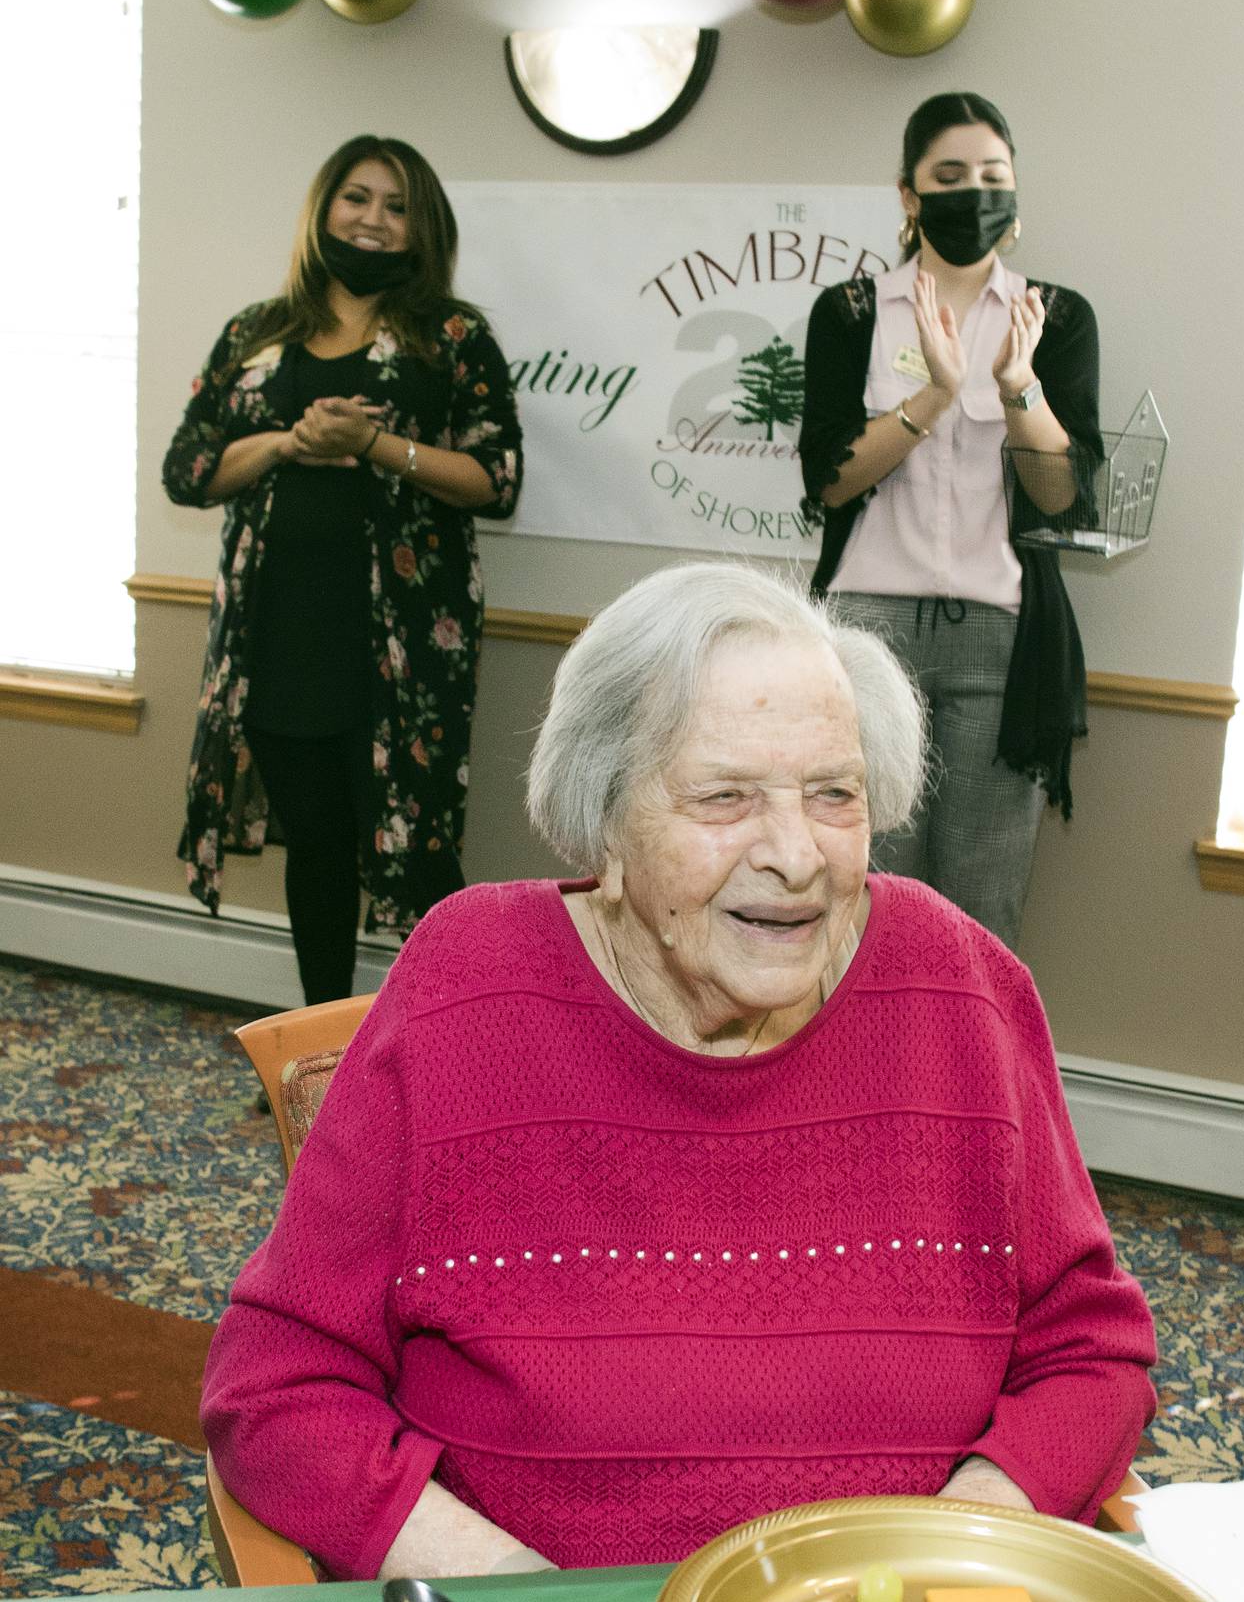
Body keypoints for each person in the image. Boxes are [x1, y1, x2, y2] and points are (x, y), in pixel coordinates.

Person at [200, 561, 1155, 1580]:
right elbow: (276, 1386)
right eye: (724, 796)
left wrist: (943, 1548)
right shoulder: (464, 988)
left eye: (835, 793)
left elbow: (1091, 1349)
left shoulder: (963, 985)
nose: (794, 853)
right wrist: (524, 1589)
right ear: (605, 816)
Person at [162, 135, 521, 1002]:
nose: (373, 220)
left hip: (403, 650)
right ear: (324, 206)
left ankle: (439, 1045)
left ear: (421, 227)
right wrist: (288, 442)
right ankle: (322, 1051)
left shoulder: (453, 336)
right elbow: (188, 469)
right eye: (357, 197)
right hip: (279, 633)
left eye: (397, 206)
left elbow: (496, 481)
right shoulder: (257, 333)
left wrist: (375, 444)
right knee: (316, 842)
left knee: (417, 851)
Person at [799, 93, 1104, 950]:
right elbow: (828, 482)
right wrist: (933, 395)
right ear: (909, 195)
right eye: (949, 176)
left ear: (1016, 195)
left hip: (1000, 637)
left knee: (980, 898)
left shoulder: (1057, 316)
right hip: (868, 626)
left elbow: (1059, 494)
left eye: (992, 177)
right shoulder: (852, 312)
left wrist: (1018, 388)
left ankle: (962, 1081)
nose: (973, 193)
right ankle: (854, 1078)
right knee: (861, 887)